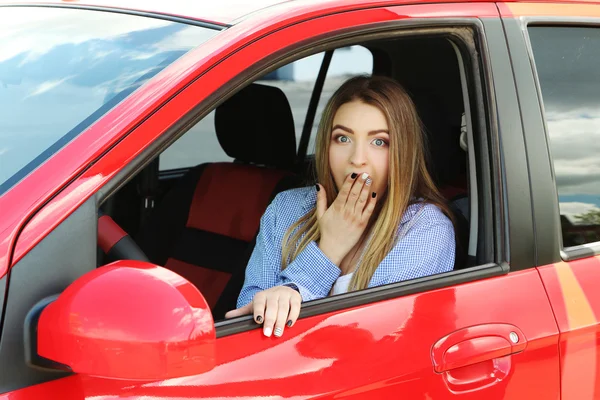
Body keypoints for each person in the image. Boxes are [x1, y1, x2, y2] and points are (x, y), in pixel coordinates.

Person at [225, 75, 455, 338]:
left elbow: (374, 339)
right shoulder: (287, 207)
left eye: (379, 142)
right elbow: (248, 319)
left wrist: (321, 259)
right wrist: (329, 249)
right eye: (343, 139)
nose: (357, 159)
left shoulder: (424, 229)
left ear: (402, 152)